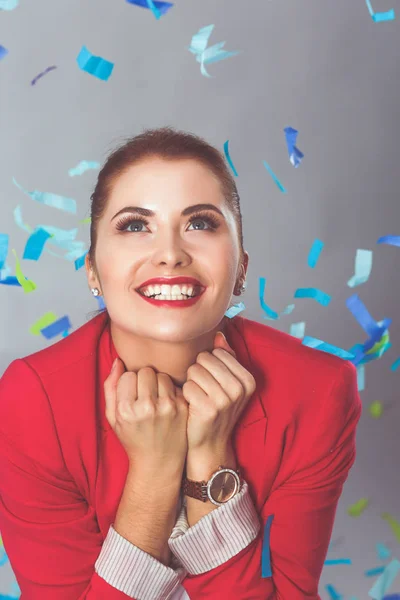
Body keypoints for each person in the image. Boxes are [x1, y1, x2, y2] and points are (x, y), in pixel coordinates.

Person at [0, 127, 362, 600]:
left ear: (241, 270)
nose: (170, 254)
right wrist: (153, 472)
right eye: (134, 225)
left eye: (200, 224)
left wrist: (210, 463)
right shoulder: (32, 399)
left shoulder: (319, 390)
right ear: (92, 269)